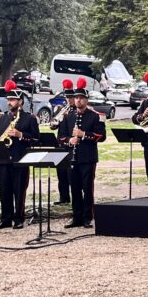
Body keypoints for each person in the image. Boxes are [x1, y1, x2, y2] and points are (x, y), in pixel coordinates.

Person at [0, 79, 39, 229]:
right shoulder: (2, 119)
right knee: (4, 191)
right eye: (8, 99)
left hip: (20, 160)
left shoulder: (29, 118)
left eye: (13, 99)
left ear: (20, 101)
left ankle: (19, 218)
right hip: (3, 160)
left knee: (19, 191)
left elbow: (36, 139)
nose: (9, 102)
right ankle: (5, 218)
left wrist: (20, 135)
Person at [57, 77, 105, 228]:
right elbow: (60, 137)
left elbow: (101, 136)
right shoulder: (68, 116)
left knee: (87, 188)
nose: (78, 101)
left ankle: (87, 217)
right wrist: (69, 141)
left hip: (88, 158)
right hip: (73, 158)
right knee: (75, 188)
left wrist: (83, 134)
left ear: (86, 99)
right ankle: (76, 217)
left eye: (81, 98)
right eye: (76, 98)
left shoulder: (94, 116)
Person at [50, 80, 76, 204]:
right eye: (67, 97)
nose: (69, 99)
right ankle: (63, 197)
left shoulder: (77, 111)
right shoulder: (60, 109)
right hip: (60, 143)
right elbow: (53, 126)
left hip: (71, 144)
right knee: (61, 172)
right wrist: (55, 122)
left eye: (71, 97)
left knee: (71, 173)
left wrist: (68, 116)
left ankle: (74, 197)